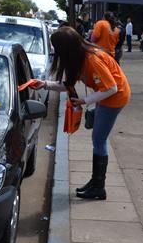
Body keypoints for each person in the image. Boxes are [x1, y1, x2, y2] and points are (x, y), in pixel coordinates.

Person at [31, 26, 131, 200]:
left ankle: (99, 188)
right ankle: (95, 183)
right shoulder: (77, 58)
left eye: (56, 47)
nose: (54, 50)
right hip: (105, 95)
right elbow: (67, 85)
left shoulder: (92, 59)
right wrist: (45, 84)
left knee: (98, 140)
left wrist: (85, 101)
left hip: (115, 97)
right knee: (97, 139)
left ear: (65, 48)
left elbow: (111, 88)